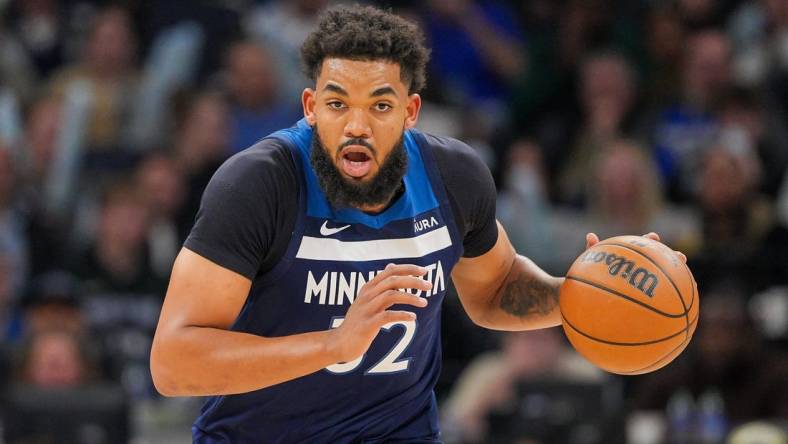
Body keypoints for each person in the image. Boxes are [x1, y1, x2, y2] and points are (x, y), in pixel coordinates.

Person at [150, 6, 685, 442]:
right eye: (338, 104)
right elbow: (174, 363)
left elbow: (493, 290)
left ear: (410, 111)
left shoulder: (453, 176)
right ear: (311, 106)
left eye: (379, 105)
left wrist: (591, 293)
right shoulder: (259, 184)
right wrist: (335, 345)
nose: (356, 125)